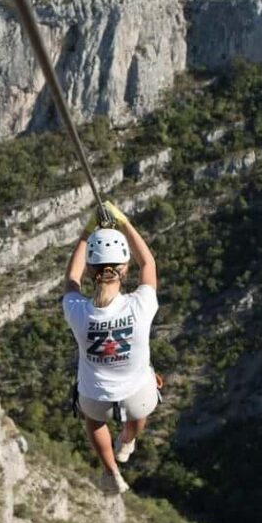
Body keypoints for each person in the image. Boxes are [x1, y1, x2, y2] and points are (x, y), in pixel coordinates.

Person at [62, 200, 160, 495]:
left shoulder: (77, 311)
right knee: (141, 399)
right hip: (138, 396)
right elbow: (149, 264)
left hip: (95, 397)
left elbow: (71, 279)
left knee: (93, 422)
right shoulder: (140, 305)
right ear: (124, 268)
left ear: (92, 270)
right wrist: (125, 223)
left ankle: (110, 471)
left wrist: (87, 232)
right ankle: (129, 439)